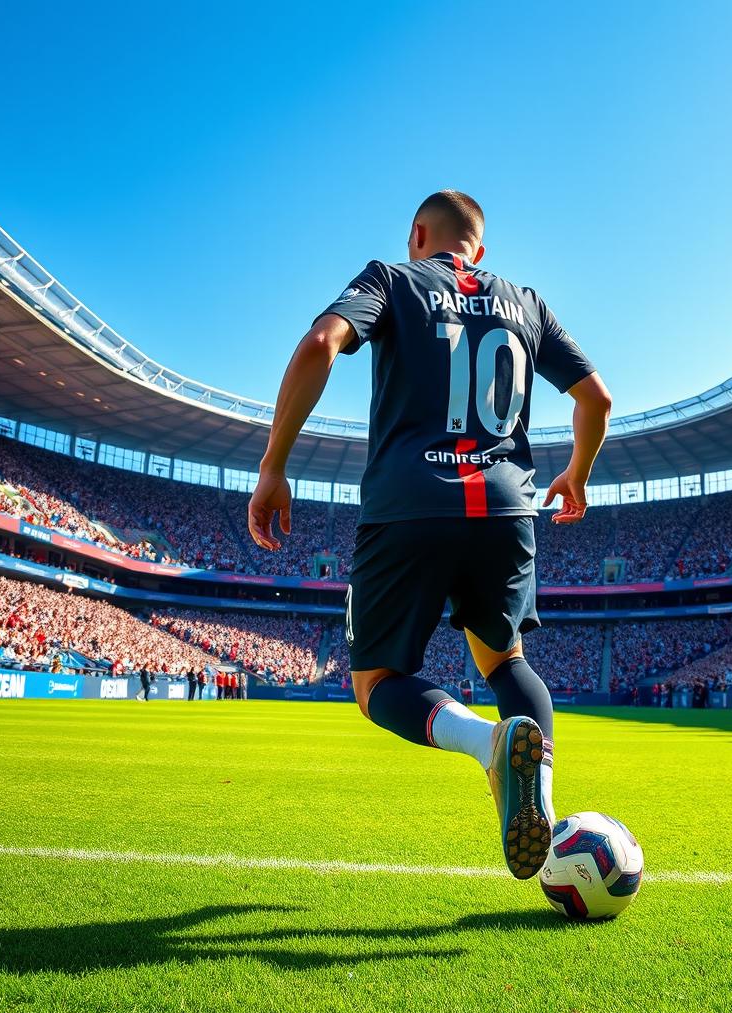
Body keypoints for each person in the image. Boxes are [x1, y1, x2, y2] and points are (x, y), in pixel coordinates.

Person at [248, 190, 610, 879]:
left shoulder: (391, 278)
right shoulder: (525, 301)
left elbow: (322, 343)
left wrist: (274, 465)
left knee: (378, 682)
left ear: (420, 234)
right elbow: (596, 398)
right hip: (505, 507)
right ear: (480, 249)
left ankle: (486, 746)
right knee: (505, 663)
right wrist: (578, 475)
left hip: (407, 504)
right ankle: (548, 815)